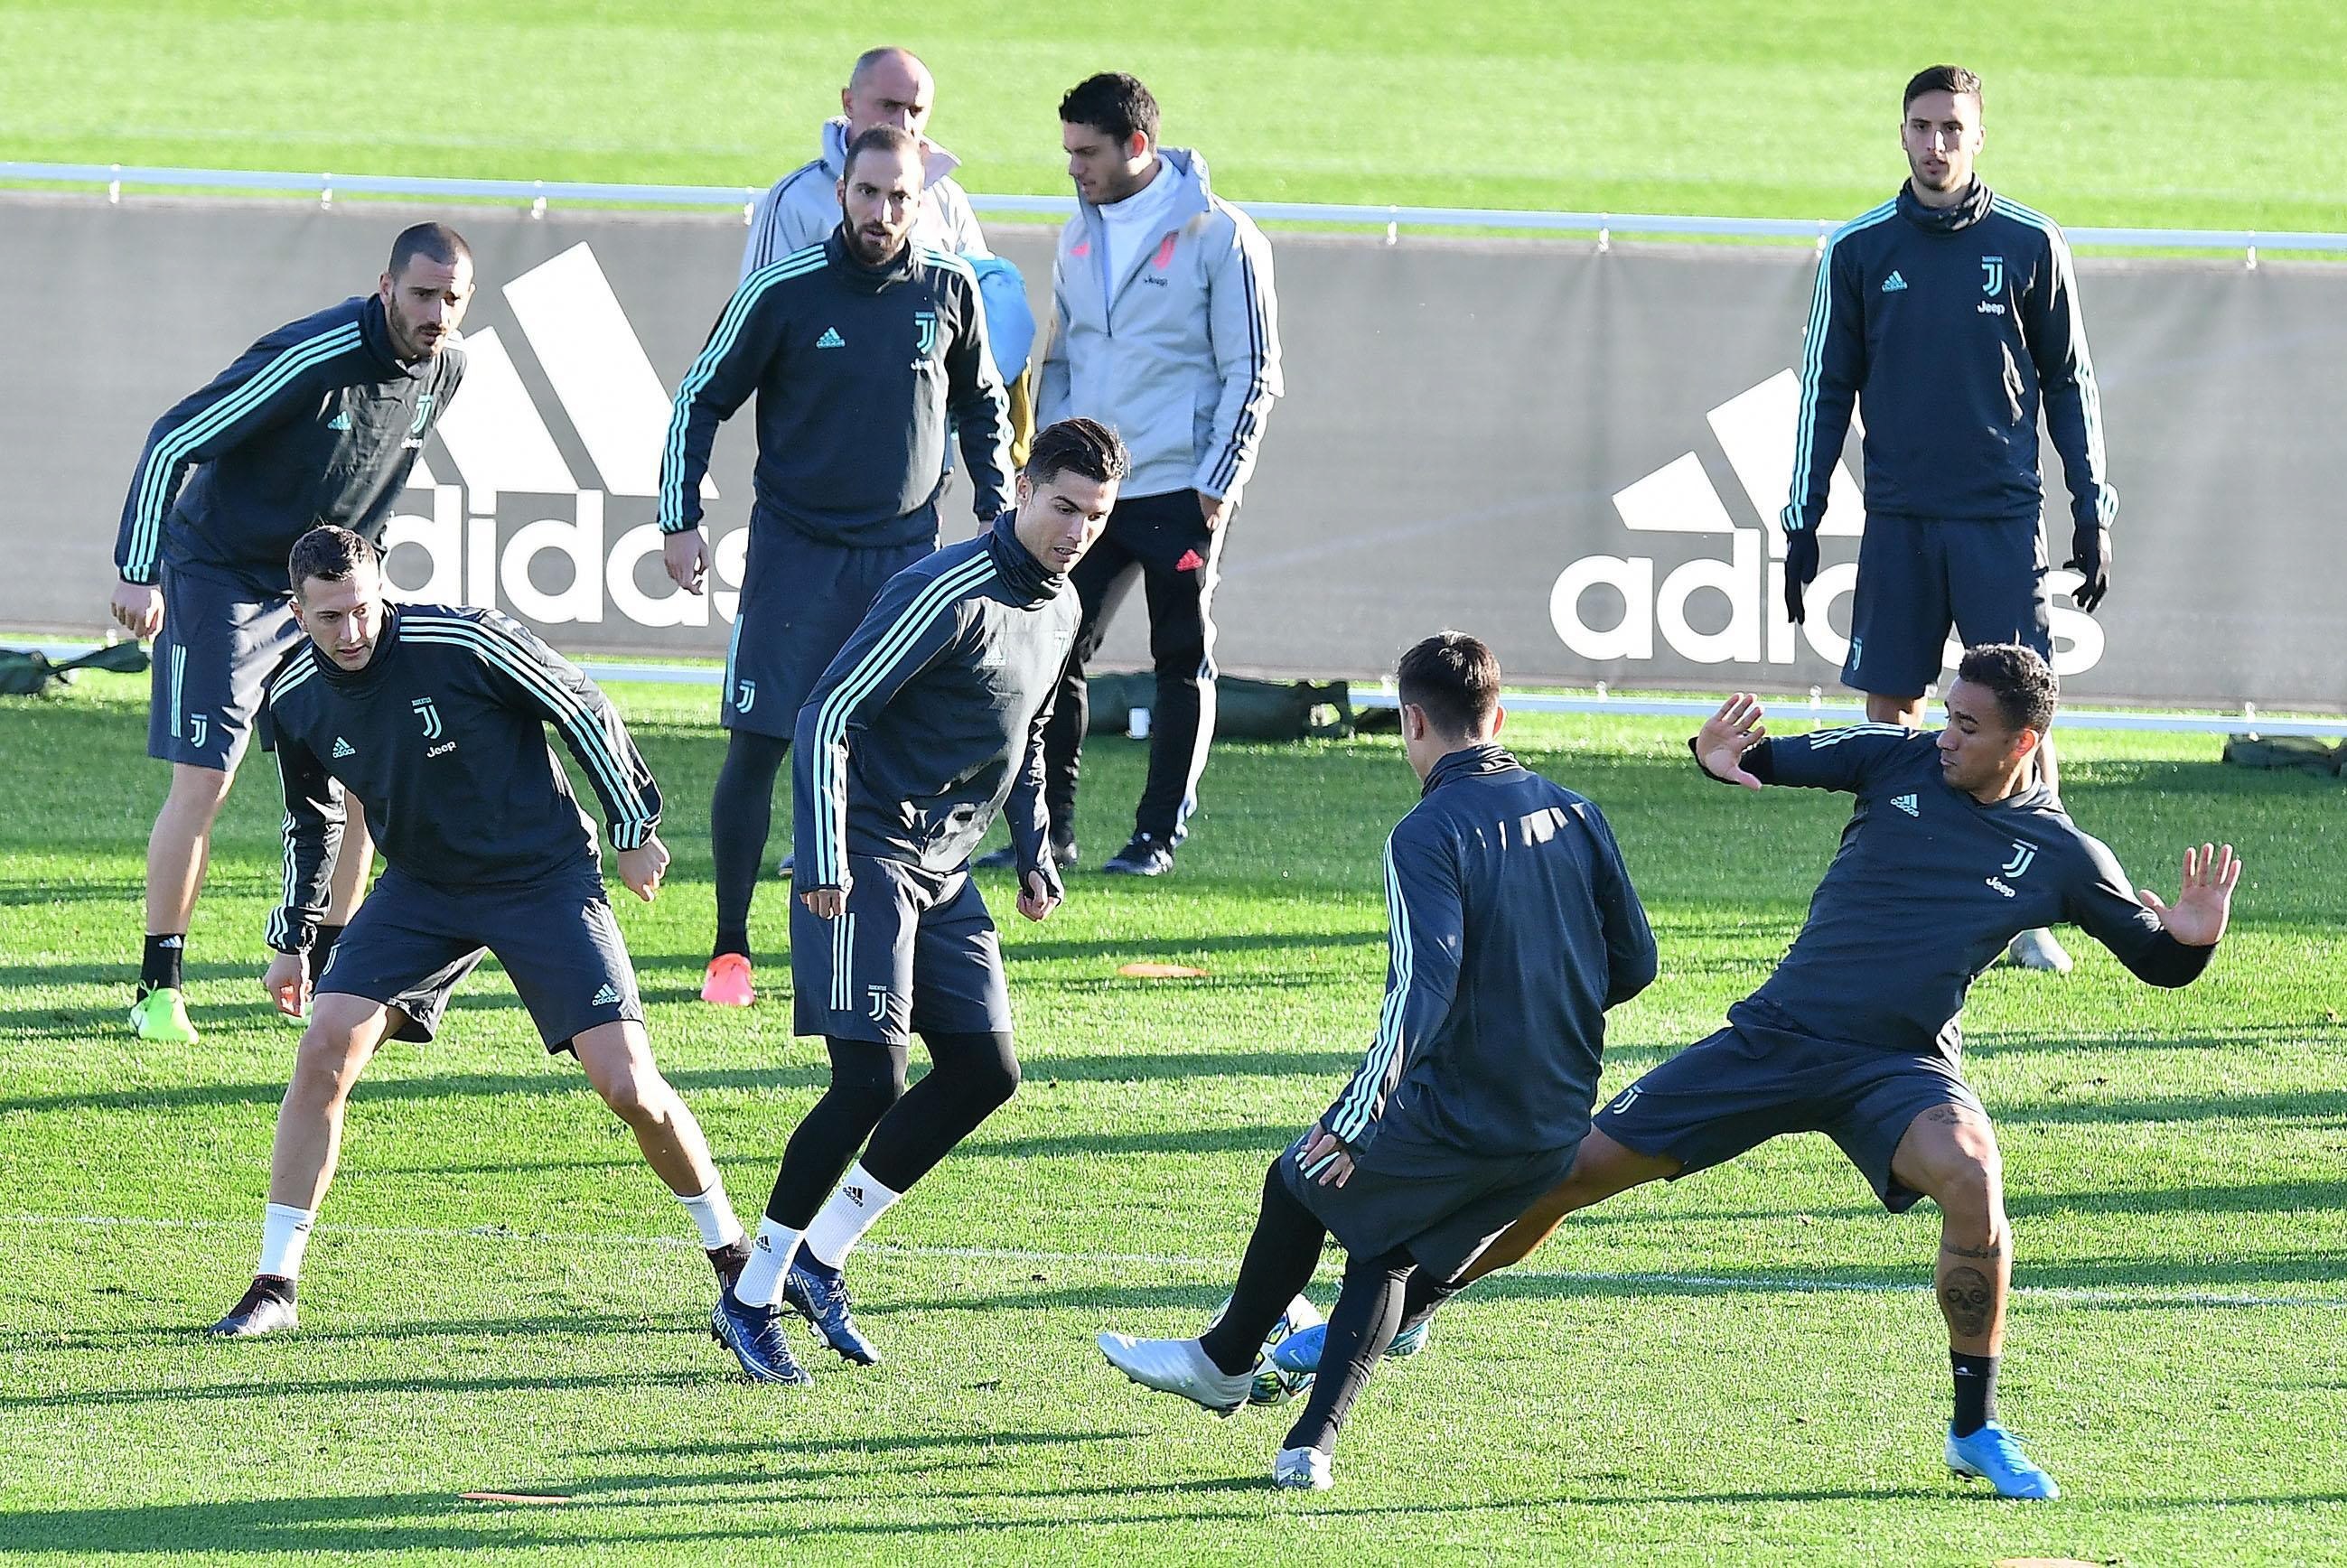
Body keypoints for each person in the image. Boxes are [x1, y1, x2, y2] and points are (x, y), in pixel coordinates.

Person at [1351, 646, 2239, 1500]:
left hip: (1899, 1065)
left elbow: (2158, 961)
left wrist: (2195, 938)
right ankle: (1408, 1307)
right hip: (1776, 1038)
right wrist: (1715, 753)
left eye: (1968, 727)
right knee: (1568, 1170)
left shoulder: (2065, 856)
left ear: (2023, 743)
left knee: (1973, 1174)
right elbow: (1757, 760)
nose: (1944, 736)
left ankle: (1975, 1429)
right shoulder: (1895, 757)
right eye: (1946, 714)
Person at [1094, 632, 1657, 1490]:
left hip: (1465, 1109)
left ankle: (1223, 1364)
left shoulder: (1427, 831)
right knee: (1386, 1251)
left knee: (1298, 1180)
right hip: (1554, 1122)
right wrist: (1543, 1019)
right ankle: (1306, 1447)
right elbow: (1637, 964)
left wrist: (1355, 1119)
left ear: (1412, 722)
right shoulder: (1579, 811)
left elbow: (1420, 990)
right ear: (1499, 716)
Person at [209, 527, 749, 1337]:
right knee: (324, 1046)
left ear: (380, 587)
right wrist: (293, 937)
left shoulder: (462, 638)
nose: (351, 632)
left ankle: (735, 1258)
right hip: (423, 890)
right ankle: (275, 1285)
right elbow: (310, 817)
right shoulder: (293, 696)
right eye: (329, 618)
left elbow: (581, 704)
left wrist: (632, 825)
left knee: (628, 1086)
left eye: (361, 609)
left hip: (543, 877)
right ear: (298, 610)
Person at [708, 418, 1127, 1386]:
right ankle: (751, 1293)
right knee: (870, 1081)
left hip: (948, 867)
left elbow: (1022, 732)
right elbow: (827, 711)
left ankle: (821, 1258)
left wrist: (1031, 847)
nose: (1077, 531)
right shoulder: (941, 589)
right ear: (1022, 488)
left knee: (985, 1068)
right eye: (1063, 506)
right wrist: (820, 850)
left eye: (1096, 517)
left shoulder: (1061, 604)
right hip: (864, 854)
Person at [659, 125, 1015, 1009]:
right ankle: (731, 947)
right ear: (842, 191)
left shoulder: (949, 288)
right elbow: (700, 396)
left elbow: (982, 407)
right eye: (868, 193)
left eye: (901, 198)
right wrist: (680, 517)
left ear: (920, 202)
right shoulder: (782, 292)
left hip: (903, 557)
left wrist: (996, 508)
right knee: (761, 743)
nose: (883, 212)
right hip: (793, 555)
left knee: (885, 754)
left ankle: (877, 938)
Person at [1781, 63, 2118, 975]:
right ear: (1900, 132)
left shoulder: (2030, 242)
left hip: (2000, 518)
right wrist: (1802, 518)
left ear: (1978, 137)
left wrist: (2093, 508)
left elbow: (2071, 384)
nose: (1937, 145)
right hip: (1897, 517)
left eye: (1953, 129)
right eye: (1922, 126)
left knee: (2019, 712)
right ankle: (1885, 883)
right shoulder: (1858, 250)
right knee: (1892, 707)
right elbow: (1825, 387)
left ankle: (2032, 907)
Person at [110, 224, 472, 1044]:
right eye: (422, 294)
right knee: (205, 780)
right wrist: (139, 569)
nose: (437, 313)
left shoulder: (448, 368)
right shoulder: (310, 358)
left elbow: (373, 485)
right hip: (225, 579)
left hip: (332, 592)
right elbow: (173, 440)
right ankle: (159, 985)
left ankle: (341, 970)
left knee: (367, 779)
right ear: (385, 286)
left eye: (453, 299)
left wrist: (356, 597)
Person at [1001, 71, 1281, 879]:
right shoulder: (1077, 233)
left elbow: (1253, 371)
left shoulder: (1221, 235)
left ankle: (1156, 837)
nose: (1073, 168)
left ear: (1137, 146)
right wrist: (1046, 462)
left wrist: (1219, 482)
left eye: (1085, 152)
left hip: (1177, 488)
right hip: (1087, 490)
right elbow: (1063, 355)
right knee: (1053, 649)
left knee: (1179, 659)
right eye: (1067, 152)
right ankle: (1046, 831)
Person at [738, 46, 987, 277]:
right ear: (849, 103)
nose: (903, 124)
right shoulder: (794, 200)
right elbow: (761, 314)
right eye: (889, 105)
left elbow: (985, 300)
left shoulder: (947, 199)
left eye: (915, 111)